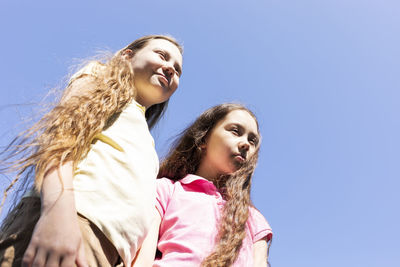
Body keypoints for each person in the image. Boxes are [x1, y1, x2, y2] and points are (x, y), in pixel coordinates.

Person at [0, 34, 183, 267]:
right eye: (162, 55)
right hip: (71, 222)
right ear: (127, 56)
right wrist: (57, 214)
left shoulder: (147, 144)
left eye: (177, 70)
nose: (170, 69)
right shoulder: (100, 78)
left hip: (109, 253)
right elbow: (61, 139)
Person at [133, 103, 273, 267]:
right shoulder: (165, 190)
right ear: (204, 138)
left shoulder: (253, 218)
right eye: (235, 131)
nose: (246, 144)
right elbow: (142, 260)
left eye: (252, 140)